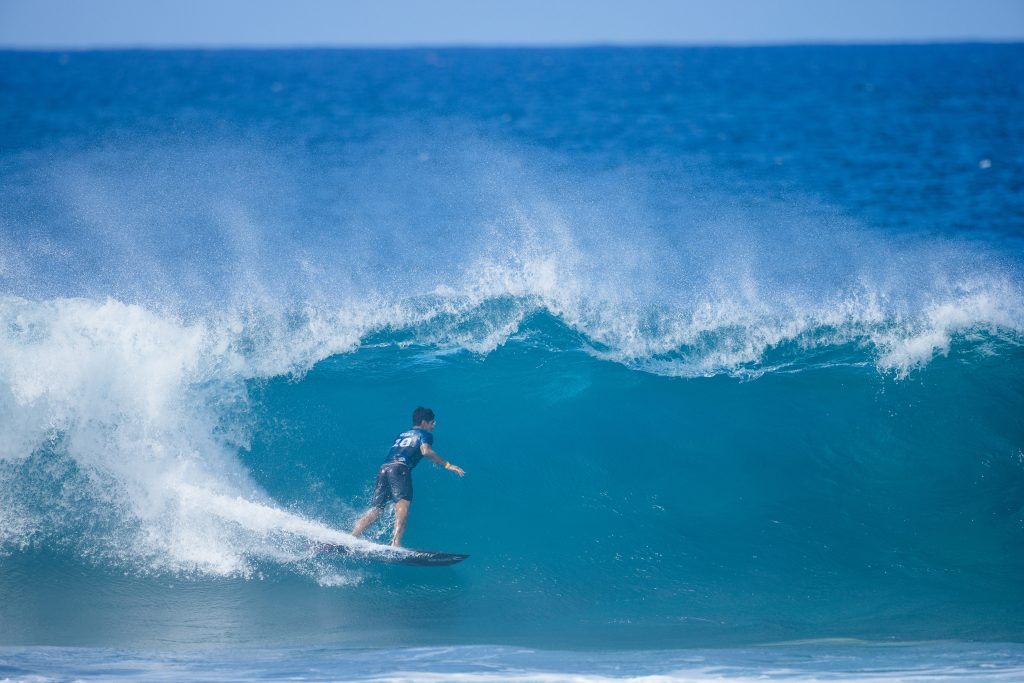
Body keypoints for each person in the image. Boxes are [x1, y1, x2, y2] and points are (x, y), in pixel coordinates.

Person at [351, 406, 465, 547]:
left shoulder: (402, 434)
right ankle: (396, 544)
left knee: (377, 510)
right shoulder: (425, 434)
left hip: (384, 468)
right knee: (402, 506)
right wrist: (448, 465)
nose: (434, 425)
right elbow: (426, 451)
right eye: (432, 422)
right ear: (424, 422)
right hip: (400, 469)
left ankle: (352, 537)